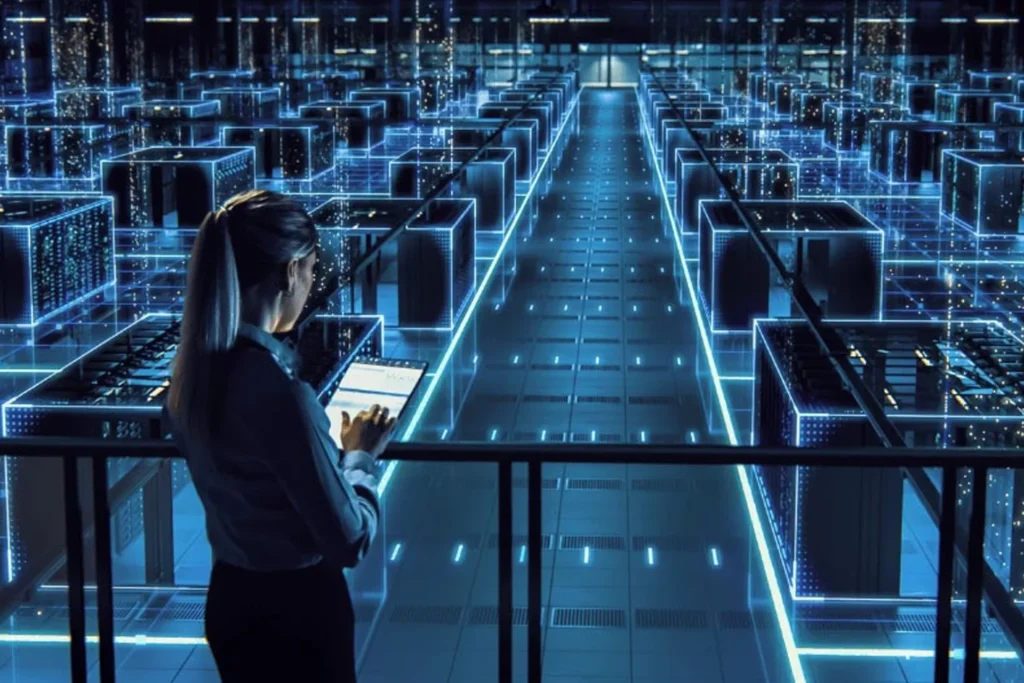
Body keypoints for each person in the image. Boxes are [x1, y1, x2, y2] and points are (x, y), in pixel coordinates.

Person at [164, 189, 394, 682]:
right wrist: (359, 458)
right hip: (297, 615)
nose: (310, 287)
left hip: (231, 599)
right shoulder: (277, 393)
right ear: (290, 272)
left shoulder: (190, 377)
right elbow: (348, 540)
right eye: (311, 272)